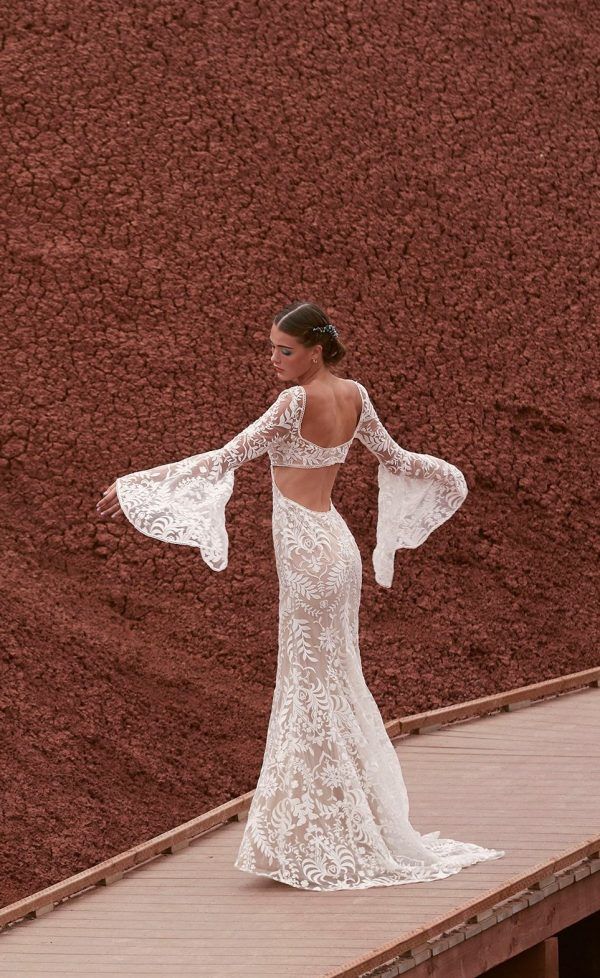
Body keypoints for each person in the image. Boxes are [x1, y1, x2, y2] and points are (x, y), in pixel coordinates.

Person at [96, 300, 505, 890]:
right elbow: (397, 459)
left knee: (310, 688)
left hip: (311, 560)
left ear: (315, 350)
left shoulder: (295, 401)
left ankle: (321, 834)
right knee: (331, 684)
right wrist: (449, 475)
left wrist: (135, 486)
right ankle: (332, 825)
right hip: (336, 550)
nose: (274, 361)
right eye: (271, 349)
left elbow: (227, 457)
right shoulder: (356, 395)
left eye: (284, 351)